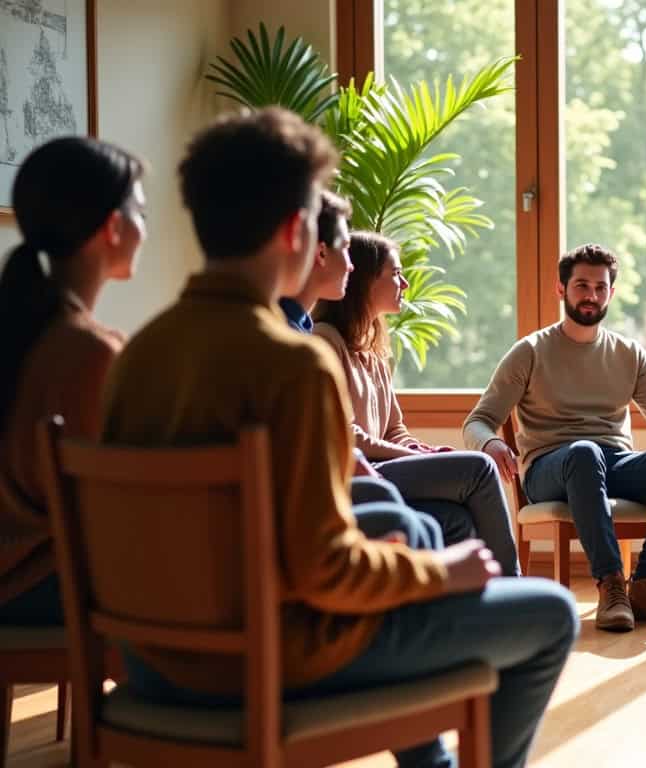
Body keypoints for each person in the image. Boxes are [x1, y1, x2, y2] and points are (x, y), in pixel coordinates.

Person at [100, 107, 576, 768]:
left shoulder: (136, 357)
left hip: (153, 665)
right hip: (272, 660)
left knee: (395, 521)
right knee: (552, 614)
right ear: (297, 230)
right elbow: (324, 569)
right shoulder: (292, 365)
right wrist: (441, 571)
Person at [463, 242, 646, 632]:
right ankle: (610, 584)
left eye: (600, 288)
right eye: (582, 286)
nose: (591, 295)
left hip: (613, 463)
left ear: (611, 294)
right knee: (584, 453)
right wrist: (491, 442)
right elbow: (477, 421)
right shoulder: (530, 352)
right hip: (550, 470)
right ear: (561, 289)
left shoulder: (629, 354)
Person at [313, 231, 520, 574]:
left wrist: (422, 449)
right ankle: (512, 586)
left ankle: (467, 597)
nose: (405, 283)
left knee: (455, 517)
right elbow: (346, 436)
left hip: (382, 467)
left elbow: (394, 429)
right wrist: (412, 457)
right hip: (357, 475)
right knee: (479, 468)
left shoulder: (374, 351)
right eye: (395, 273)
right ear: (365, 281)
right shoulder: (325, 340)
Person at [0, 137, 145, 625]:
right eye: (141, 213)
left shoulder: (26, 325)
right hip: (30, 586)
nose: (145, 229)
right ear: (112, 227)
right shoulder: (88, 352)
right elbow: (119, 502)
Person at [278, 190, 448, 549]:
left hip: (343, 474)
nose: (352, 265)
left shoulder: (307, 337)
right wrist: (376, 462)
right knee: (462, 481)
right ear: (319, 252)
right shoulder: (303, 345)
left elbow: (380, 428)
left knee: (441, 519)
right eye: (345, 248)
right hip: (318, 495)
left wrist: (416, 448)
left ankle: (480, 580)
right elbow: (338, 435)